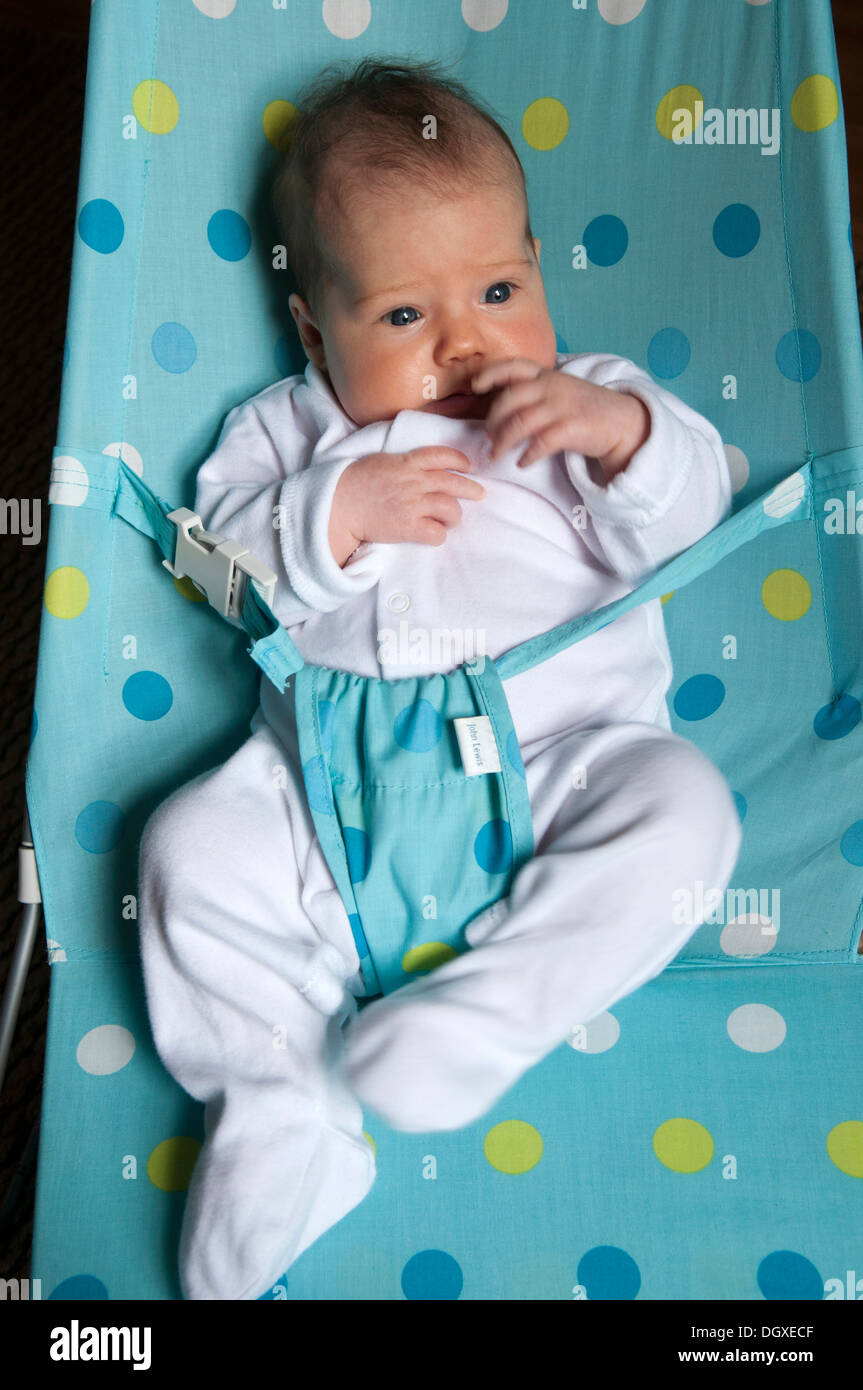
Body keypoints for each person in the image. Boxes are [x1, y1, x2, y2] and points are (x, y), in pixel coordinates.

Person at [137, 56, 743, 1301]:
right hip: (326, 812)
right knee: (187, 851)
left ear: (540, 269)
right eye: (404, 318)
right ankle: (285, 1112)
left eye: (501, 289)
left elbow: (696, 509)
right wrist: (328, 514)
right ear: (316, 332)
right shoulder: (287, 433)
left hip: (560, 766)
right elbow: (207, 571)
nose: (468, 344)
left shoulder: (590, 404)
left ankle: (484, 1018)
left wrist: (621, 440)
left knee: (684, 807)